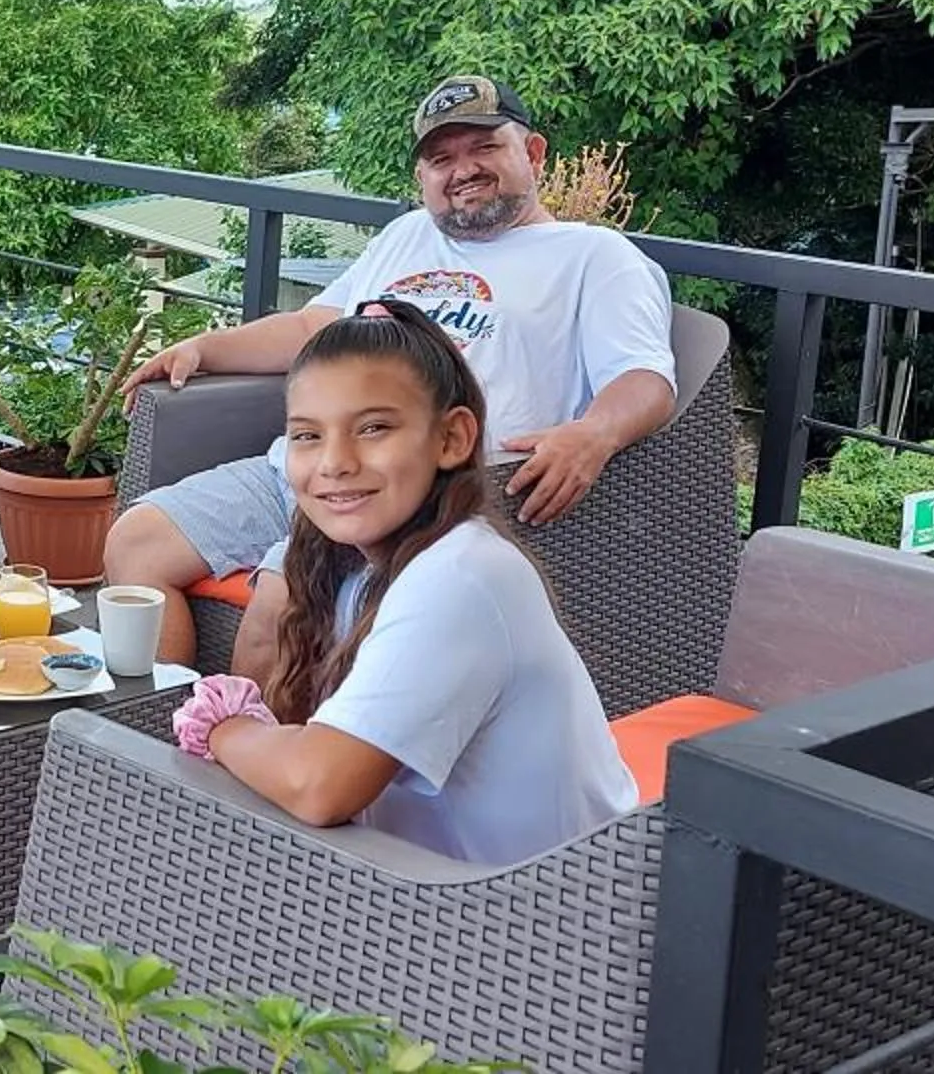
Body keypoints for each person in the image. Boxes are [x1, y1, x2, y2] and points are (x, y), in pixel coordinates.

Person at [106, 74, 678, 676]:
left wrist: (595, 433)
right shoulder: (408, 235)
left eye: (484, 148)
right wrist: (205, 347)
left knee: (280, 605)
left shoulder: (595, 257)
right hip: (301, 470)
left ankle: (252, 764)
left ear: (532, 153)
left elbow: (644, 377)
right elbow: (313, 329)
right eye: (441, 158)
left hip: (412, 500)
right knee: (135, 543)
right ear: (423, 178)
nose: (463, 170)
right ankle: (152, 740)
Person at [169, 303, 639, 862]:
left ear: (452, 438)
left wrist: (223, 726)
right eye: (307, 436)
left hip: (543, 918)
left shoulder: (461, 576)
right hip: (429, 894)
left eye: (374, 428)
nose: (335, 462)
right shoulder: (352, 567)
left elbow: (321, 786)